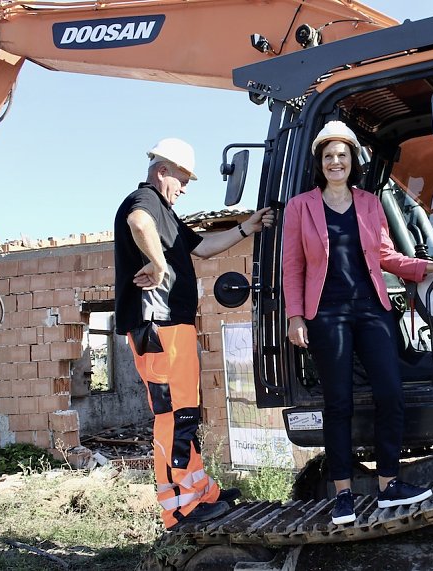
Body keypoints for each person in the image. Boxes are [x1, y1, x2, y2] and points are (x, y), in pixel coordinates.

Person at [282, 121, 433, 525]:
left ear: (352, 161)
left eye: (342, 155)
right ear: (320, 163)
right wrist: (296, 317)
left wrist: (430, 265)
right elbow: (292, 267)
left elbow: (386, 255)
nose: (335, 162)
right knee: (339, 403)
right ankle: (343, 493)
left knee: (391, 394)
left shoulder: (368, 203)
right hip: (326, 314)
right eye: (328, 156)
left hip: (370, 310)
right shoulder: (301, 207)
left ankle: (388, 485)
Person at [113, 137, 274, 531]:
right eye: (183, 179)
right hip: (157, 326)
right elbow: (138, 223)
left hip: (173, 326)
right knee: (171, 414)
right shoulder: (146, 199)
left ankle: (201, 492)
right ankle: (180, 509)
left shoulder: (168, 215)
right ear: (163, 170)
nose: (185, 188)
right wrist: (156, 262)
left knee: (186, 412)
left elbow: (202, 247)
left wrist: (244, 228)